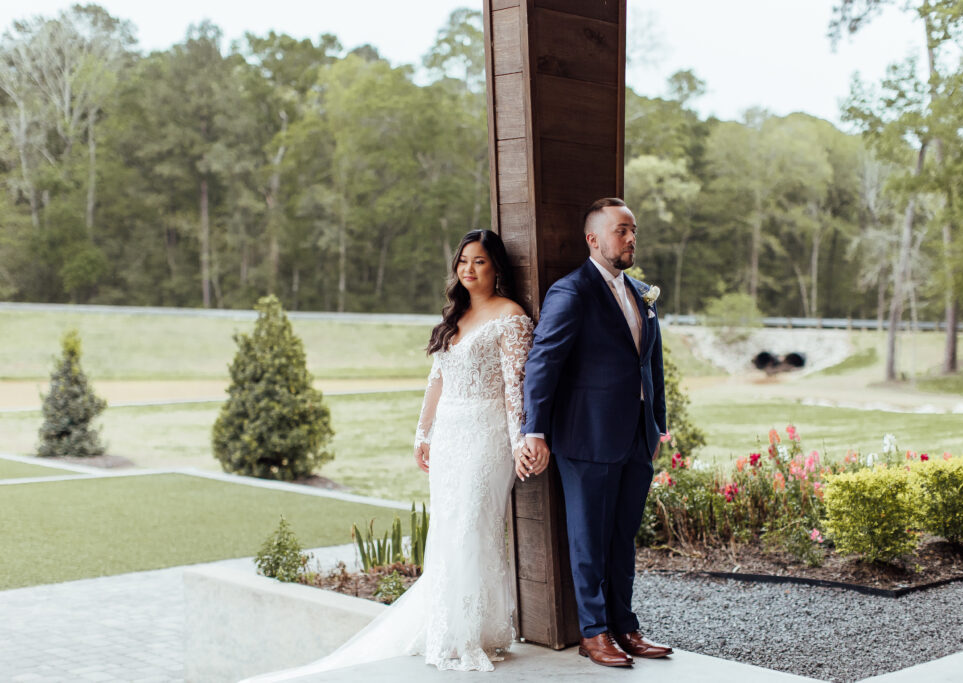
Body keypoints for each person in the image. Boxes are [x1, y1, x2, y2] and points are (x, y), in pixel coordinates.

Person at [243, 230, 534, 680]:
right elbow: (436, 379)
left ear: (496, 267)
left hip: (486, 436)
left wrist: (520, 443)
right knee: (449, 527)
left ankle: (474, 631)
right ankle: (454, 625)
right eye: (462, 261)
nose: (468, 270)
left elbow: (518, 389)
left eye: (478, 261)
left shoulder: (511, 317)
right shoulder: (454, 317)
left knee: (475, 525)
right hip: (450, 437)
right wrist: (423, 433)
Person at [520, 197, 674, 668]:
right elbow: (543, 364)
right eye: (621, 230)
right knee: (588, 540)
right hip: (585, 439)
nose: (630, 238)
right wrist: (534, 431)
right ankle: (594, 632)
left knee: (622, 537)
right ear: (594, 239)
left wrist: (659, 427)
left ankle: (626, 626)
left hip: (635, 438)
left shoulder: (640, 292)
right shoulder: (572, 292)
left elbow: (652, 365)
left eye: (633, 231)